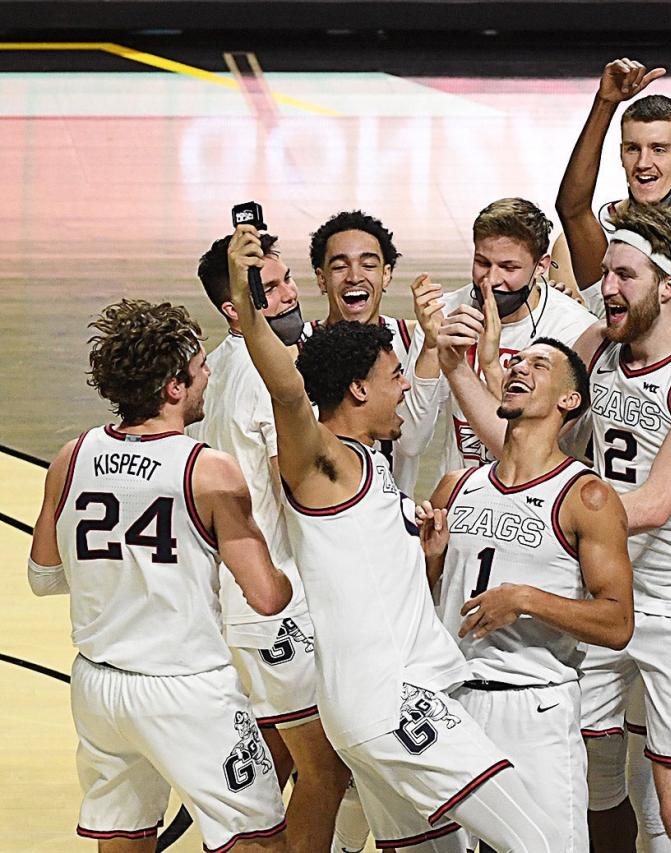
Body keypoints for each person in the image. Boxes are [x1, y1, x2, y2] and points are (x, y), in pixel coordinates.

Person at [225, 224, 561, 852]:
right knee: (545, 843)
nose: (406, 383)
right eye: (392, 376)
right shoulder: (326, 464)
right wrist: (249, 312)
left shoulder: (370, 464)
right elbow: (290, 393)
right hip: (394, 704)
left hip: (378, 705)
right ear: (357, 389)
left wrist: (425, 559)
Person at [439, 202, 671, 853]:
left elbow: (655, 502)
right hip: (604, 594)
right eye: (606, 272)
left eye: (624, 275)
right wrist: (458, 370)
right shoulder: (597, 347)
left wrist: (537, 528)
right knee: (590, 784)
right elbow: (519, 448)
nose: (605, 287)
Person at [28, 298, 293, 852]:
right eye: (199, 368)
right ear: (173, 387)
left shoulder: (71, 457)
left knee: (124, 834)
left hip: (99, 687)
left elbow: (44, 576)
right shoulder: (209, 469)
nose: (209, 375)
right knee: (259, 840)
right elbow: (267, 597)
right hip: (185, 687)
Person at [425, 337, 634, 853]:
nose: (519, 369)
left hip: (534, 710)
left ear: (569, 400)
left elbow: (617, 622)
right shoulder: (456, 485)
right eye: (516, 362)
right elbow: (421, 597)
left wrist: (525, 599)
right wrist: (430, 560)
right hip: (452, 706)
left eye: (539, 365)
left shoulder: (588, 496)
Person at [194, 234, 352, 851]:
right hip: (275, 601)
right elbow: (304, 482)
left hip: (241, 596)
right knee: (325, 769)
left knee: (275, 761)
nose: (291, 294)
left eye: (289, 280)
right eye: (273, 288)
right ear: (236, 307)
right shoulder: (267, 375)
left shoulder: (223, 363)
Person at [431, 198, 597, 475]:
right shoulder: (448, 312)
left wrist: (489, 365)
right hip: (459, 497)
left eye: (509, 268)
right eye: (482, 263)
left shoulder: (575, 331)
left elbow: (522, 451)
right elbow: (412, 438)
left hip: (537, 504)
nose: (491, 280)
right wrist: (426, 349)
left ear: (542, 266)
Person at [301, 209, 445, 495]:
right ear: (321, 278)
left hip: (390, 521)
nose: (354, 277)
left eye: (368, 265)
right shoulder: (298, 346)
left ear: (386, 275)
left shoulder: (417, 339)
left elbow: (412, 442)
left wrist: (430, 347)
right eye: (340, 266)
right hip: (319, 516)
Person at [554, 58, 671, 310]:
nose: (643, 163)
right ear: (621, 154)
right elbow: (571, 210)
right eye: (633, 149)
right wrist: (605, 102)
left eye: (659, 149)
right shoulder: (597, 232)